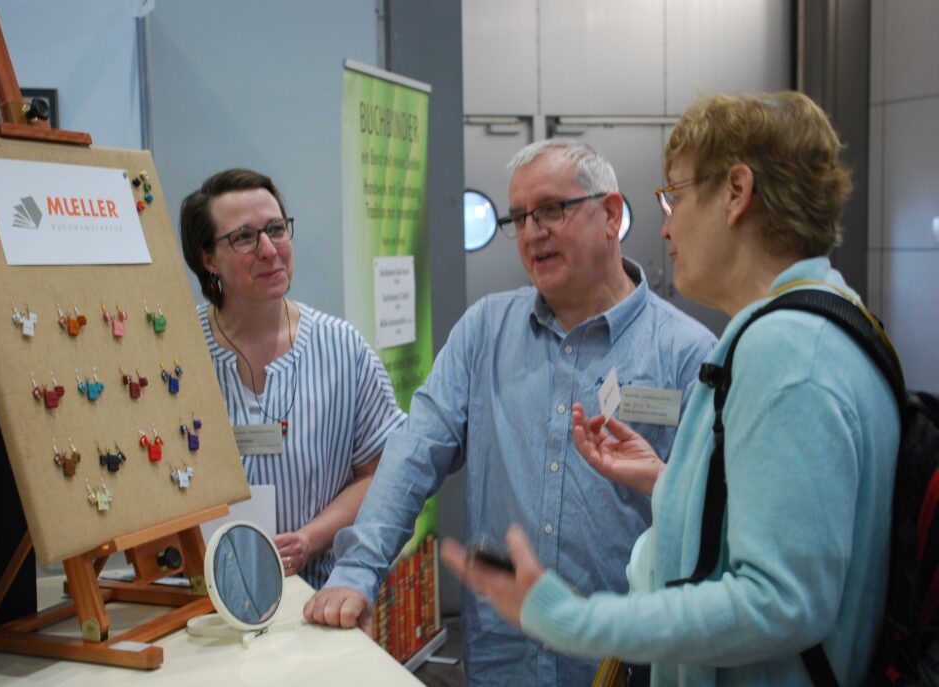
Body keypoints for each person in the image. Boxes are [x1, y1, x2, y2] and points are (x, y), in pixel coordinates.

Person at [441, 92, 900, 686]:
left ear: (736, 192)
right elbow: (792, 527)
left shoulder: (787, 351)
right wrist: (670, 484)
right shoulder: (834, 318)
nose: (665, 226)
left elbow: (782, 602)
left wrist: (577, 621)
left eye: (676, 195)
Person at [304, 140, 716, 685]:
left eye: (551, 210)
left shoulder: (688, 353)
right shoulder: (485, 332)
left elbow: (707, 520)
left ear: (611, 214)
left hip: (623, 657)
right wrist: (358, 571)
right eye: (518, 217)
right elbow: (413, 453)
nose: (531, 232)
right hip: (504, 654)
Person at [179, 168, 406, 589]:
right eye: (244, 237)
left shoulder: (342, 349)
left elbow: (381, 473)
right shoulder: (177, 353)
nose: (269, 250)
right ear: (208, 258)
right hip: (202, 598)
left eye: (276, 230)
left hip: (318, 595)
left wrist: (308, 539)